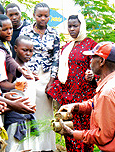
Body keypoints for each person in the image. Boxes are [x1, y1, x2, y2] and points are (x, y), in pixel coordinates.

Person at [47, 14, 97, 152]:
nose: (72, 29)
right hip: (68, 96)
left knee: (86, 132)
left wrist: (93, 75)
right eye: (69, 26)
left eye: (75, 26)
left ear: (82, 26)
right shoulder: (66, 47)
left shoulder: (92, 45)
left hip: (85, 96)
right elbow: (61, 72)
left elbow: (99, 67)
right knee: (69, 129)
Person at [57, 41, 115, 152]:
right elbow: (96, 104)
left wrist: (72, 133)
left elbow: (103, 137)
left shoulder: (107, 93)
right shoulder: (109, 83)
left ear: (101, 61)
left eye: (93, 57)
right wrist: (76, 106)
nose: (90, 61)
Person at [20, 2, 60, 151]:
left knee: (46, 113)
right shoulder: (26, 31)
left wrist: (52, 80)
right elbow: (21, 53)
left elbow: (56, 57)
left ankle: (46, 147)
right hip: (30, 75)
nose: (43, 18)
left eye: (46, 16)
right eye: (39, 15)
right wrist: (25, 72)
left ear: (50, 16)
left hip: (47, 77)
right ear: (34, 16)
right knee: (30, 110)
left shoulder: (54, 33)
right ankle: (31, 146)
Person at [4, 35, 39, 152]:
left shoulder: (27, 68)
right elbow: (4, 86)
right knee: (14, 147)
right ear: (15, 49)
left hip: (28, 116)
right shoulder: (13, 69)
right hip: (16, 117)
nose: (28, 53)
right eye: (24, 50)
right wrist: (15, 86)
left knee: (29, 148)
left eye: (31, 51)